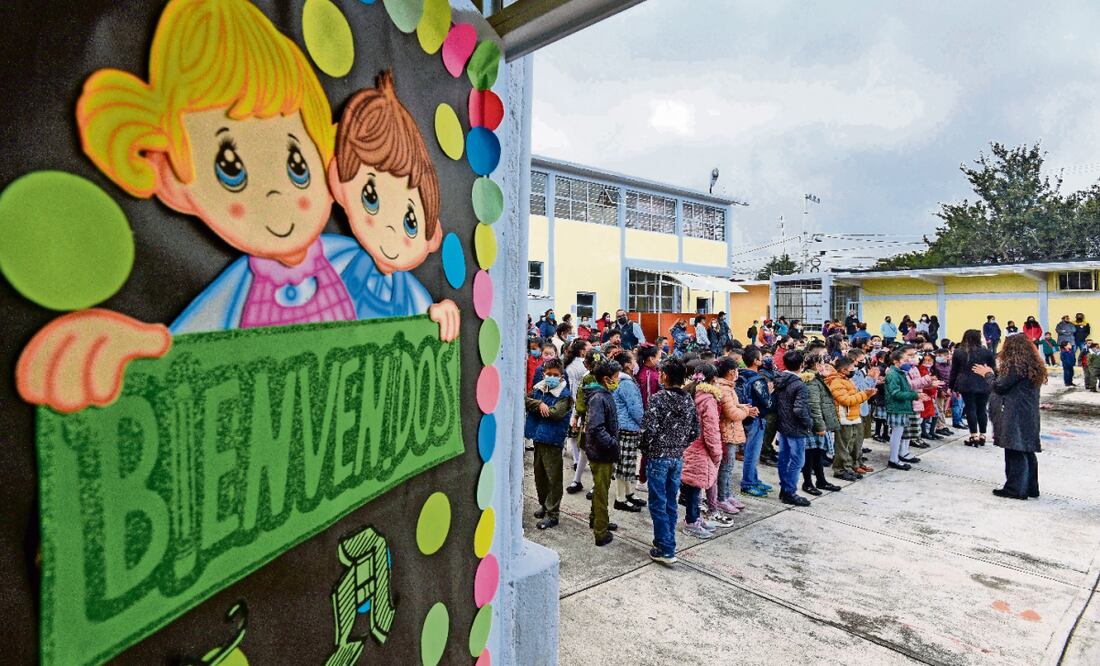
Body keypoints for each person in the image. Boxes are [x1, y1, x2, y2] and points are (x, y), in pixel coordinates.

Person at [640, 358, 700, 566]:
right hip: (676, 458)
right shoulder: (688, 400)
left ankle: (665, 548)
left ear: (665, 376)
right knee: (670, 502)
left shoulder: (658, 399)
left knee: (658, 503)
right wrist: (679, 445)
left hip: (658, 458)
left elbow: (649, 431)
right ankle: (667, 542)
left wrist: (648, 449)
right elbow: (695, 431)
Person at [971, 334, 1044, 500]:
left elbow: (1000, 386)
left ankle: (1015, 488)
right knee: (1027, 450)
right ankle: (1031, 487)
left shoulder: (1015, 365)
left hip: (1015, 412)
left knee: (1015, 448)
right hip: (1028, 412)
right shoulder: (1033, 364)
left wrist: (987, 374)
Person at [524, 359, 574, 530]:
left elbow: (555, 414)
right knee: (540, 476)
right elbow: (525, 400)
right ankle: (544, 505)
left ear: (561, 377)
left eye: (555, 375)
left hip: (552, 441)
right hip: (538, 438)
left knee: (553, 478)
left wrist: (538, 408)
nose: (551, 377)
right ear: (543, 373)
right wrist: (539, 404)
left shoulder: (565, 395)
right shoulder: (539, 389)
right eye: (549, 374)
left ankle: (553, 513)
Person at [681, 364, 726, 538]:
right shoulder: (708, 400)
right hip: (701, 449)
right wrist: (717, 453)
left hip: (687, 446)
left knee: (693, 487)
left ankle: (694, 517)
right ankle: (691, 521)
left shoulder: (688, 393)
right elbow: (711, 431)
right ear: (713, 380)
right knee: (695, 488)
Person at [582, 357, 621, 546]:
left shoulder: (603, 395)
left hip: (602, 450)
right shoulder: (599, 398)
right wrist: (612, 443)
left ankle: (596, 518)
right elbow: (596, 428)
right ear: (606, 379)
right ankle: (601, 531)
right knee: (602, 492)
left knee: (600, 488)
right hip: (601, 451)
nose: (618, 379)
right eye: (616, 376)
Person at [772, 350, 813, 506]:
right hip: (795, 427)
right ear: (801, 365)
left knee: (784, 458)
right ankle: (790, 491)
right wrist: (809, 422)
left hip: (782, 424)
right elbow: (799, 409)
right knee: (797, 460)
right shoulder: (799, 384)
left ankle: (785, 488)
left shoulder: (780, 379)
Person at [714, 358, 753, 516]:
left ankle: (727, 494)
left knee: (728, 468)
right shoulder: (724, 389)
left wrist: (743, 407)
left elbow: (734, 406)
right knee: (726, 467)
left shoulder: (728, 387)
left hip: (731, 431)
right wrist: (746, 412)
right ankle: (721, 497)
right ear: (731, 372)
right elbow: (732, 413)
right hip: (727, 432)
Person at [826, 356, 876, 481]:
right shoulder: (836, 382)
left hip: (853, 417)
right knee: (843, 446)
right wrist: (864, 394)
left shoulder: (847, 380)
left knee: (852, 444)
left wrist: (866, 395)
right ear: (843, 370)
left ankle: (850, 466)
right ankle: (840, 470)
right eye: (852, 368)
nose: (854, 370)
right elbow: (846, 400)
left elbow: (855, 398)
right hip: (844, 418)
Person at [801, 354, 843, 494]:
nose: (824, 366)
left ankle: (821, 480)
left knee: (818, 453)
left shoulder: (817, 379)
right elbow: (814, 405)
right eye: (822, 364)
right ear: (816, 365)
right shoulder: (811, 380)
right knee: (810, 455)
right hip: (814, 425)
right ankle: (807, 483)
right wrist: (820, 426)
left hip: (818, 423)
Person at [611, 351, 646, 512]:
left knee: (628, 464)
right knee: (624, 465)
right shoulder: (626, 383)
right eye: (633, 360)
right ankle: (620, 498)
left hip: (626, 426)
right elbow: (635, 408)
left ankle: (629, 493)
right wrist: (643, 423)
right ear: (627, 365)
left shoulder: (623, 381)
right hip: (627, 427)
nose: (636, 363)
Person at [737, 346, 773, 497]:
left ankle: (754, 479)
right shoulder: (758, 380)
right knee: (752, 453)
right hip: (756, 420)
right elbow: (767, 403)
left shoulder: (740, 376)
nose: (763, 360)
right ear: (755, 361)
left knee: (751, 451)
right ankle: (747, 484)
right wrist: (770, 392)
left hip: (743, 417)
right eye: (761, 358)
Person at [950, 329, 996, 446]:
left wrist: (952, 385)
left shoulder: (959, 352)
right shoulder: (986, 352)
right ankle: (983, 435)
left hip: (965, 383)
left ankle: (973, 435)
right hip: (983, 382)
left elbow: (954, 370)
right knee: (982, 409)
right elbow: (993, 368)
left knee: (970, 409)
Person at [885, 348, 921, 470]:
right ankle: (893, 459)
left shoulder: (900, 373)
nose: (908, 362)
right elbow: (895, 393)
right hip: (896, 407)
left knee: (900, 434)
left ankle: (896, 457)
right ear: (896, 361)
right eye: (905, 360)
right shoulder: (893, 374)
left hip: (902, 407)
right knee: (896, 434)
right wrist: (915, 395)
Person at [563, 339, 591, 491]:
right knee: (580, 440)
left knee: (573, 437)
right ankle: (576, 462)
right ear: (582, 351)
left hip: (573, 405)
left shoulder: (569, 363)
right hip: (579, 406)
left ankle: (576, 462)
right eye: (589, 348)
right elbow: (577, 388)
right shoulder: (582, 366)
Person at [635, 345, 662, 492]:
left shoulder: (651, 371)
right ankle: (642, 479)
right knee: (648, 449)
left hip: (651, 416)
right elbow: (649, 399)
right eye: (658, 357)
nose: (660, 359)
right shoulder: (648, 375)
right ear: (651, 358)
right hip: (649, 416)